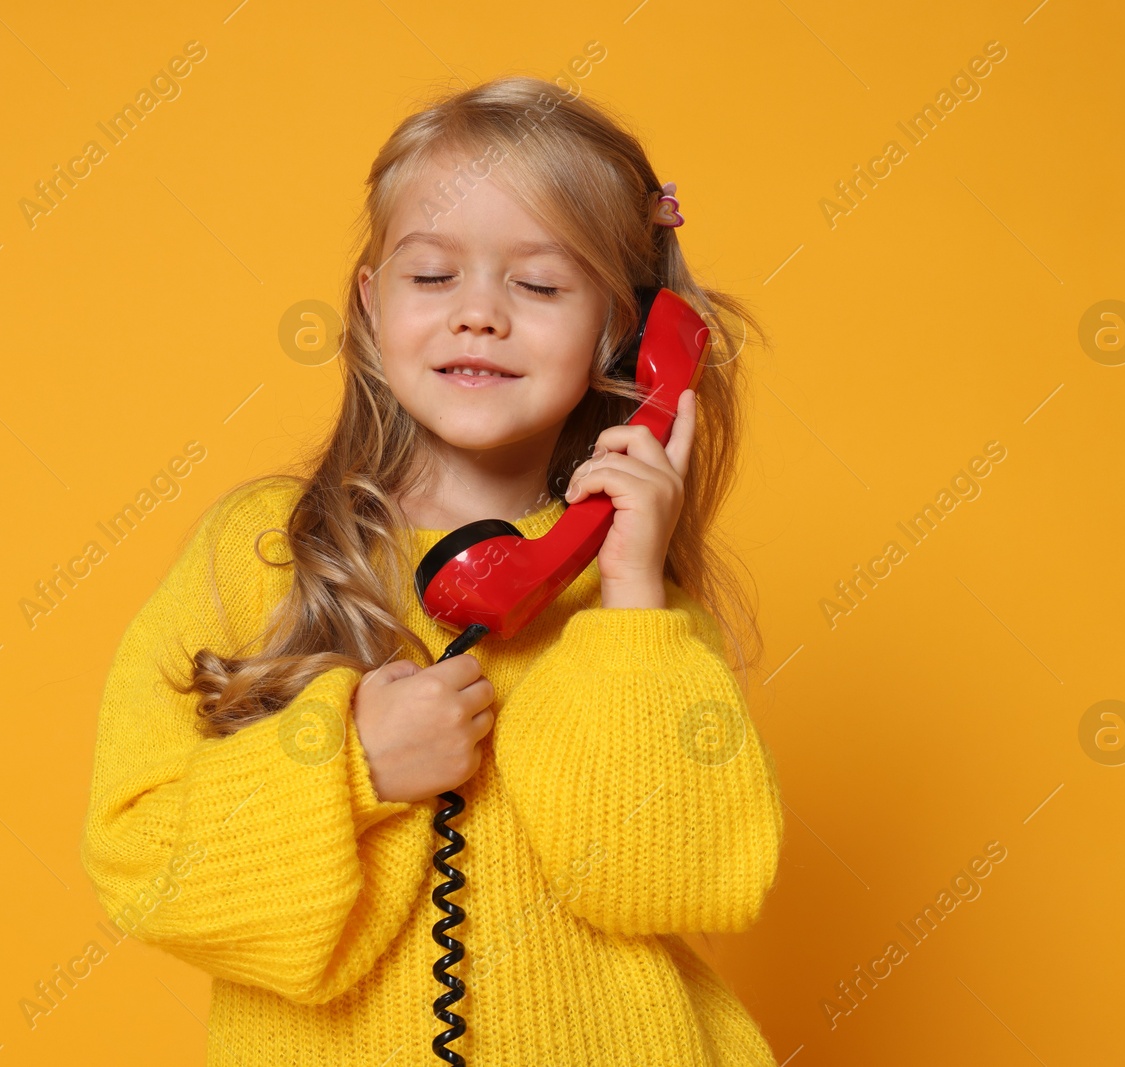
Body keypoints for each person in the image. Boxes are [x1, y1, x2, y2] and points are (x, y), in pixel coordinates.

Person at [80, 73, 784, 1066]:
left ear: (625, 329)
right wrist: (348, 766)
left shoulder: (630, 602)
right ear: (371, 305)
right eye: (431, 276)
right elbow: (140, 863)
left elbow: (666, 879)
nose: (478, 316)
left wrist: (631, 597)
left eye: (537, 284)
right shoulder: (259, 554)